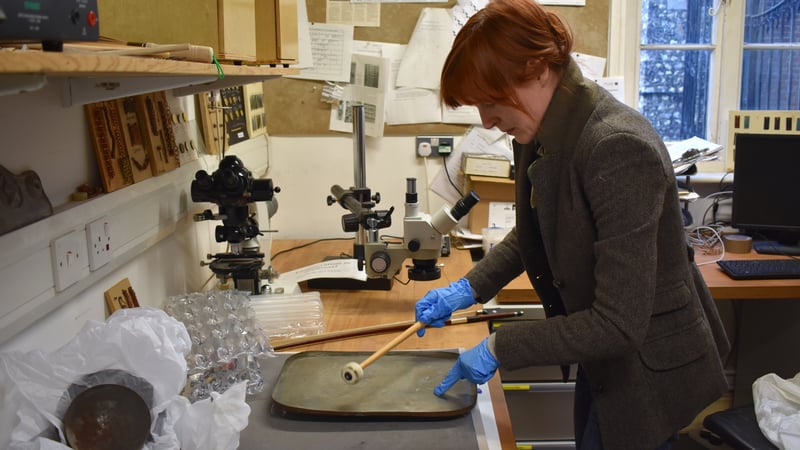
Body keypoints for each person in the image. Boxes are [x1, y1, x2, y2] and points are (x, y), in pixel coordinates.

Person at [414, 0, 731, 449]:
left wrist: (499, 348)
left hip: (646, 365)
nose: (486, 120)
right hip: (602, 352)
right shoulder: (541, 127)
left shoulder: (616, 146)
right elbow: (537, 229)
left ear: (539, 67)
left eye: (490, 100)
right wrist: (469, 288)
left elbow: (619, 324)